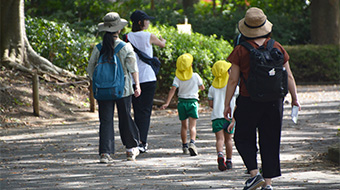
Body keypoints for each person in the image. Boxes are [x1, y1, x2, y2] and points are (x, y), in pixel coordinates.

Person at [223, 7, 301, 190]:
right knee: (271, 140)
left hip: (248, 100)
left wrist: (227, 104)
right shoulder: (277, 47)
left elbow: (233, 79)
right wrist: (295, 98)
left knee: (242, 137)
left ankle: (253, 174)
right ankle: (268, 183)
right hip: (275, 101)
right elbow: (288, 76)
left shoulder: (240, 50)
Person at [87, 12, 142, 162]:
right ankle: (130, 150)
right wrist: (137, 85)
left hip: (103, 90)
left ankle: (105, 153)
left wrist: (99, 83)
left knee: (105, 120)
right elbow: (133, 68)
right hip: (123, 89)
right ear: (118, 29)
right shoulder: (126, 47)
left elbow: (90, 70)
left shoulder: (98, 48)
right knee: (125, 117)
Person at [126, 10, 166, 153]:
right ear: (140, 22)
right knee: (145, 112)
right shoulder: (149, 36)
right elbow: (162, 45)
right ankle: (143, 142)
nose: (148, 22)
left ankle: (136, 141)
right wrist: (163, 41)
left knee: (136, 110)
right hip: (148, 78)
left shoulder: (127, 37)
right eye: (146, 20)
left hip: (132, 79)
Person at [161, 53, 205, 156]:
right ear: (190, 65)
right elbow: (202, 87)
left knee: (184, 126)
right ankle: (192, 143)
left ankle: (184, 146)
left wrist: (167, 102)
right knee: (192, 126)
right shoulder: (195, 76)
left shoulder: (178, 77)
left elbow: (173, 89)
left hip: (182, 103)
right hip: (193, 102)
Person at [208, 60, 239, 171]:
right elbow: (237, 102)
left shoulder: (212, 88)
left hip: (217, 117)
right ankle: (229, 161)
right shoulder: (233, 86)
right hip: (229, 117)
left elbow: (211, 104)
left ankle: (220, 155)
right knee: (229, 140)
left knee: (219, 139)